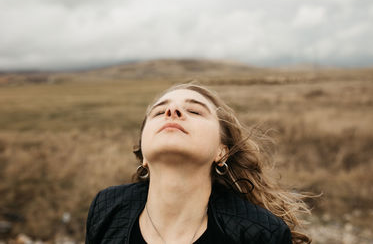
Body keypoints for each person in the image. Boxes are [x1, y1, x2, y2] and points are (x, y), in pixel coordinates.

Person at [85, 83, 311, 244]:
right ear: (143, 152)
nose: (172, 111)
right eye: (158, 112)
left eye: (194, 110)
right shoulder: (107, 207)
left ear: (222, 151)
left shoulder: (260, 233)